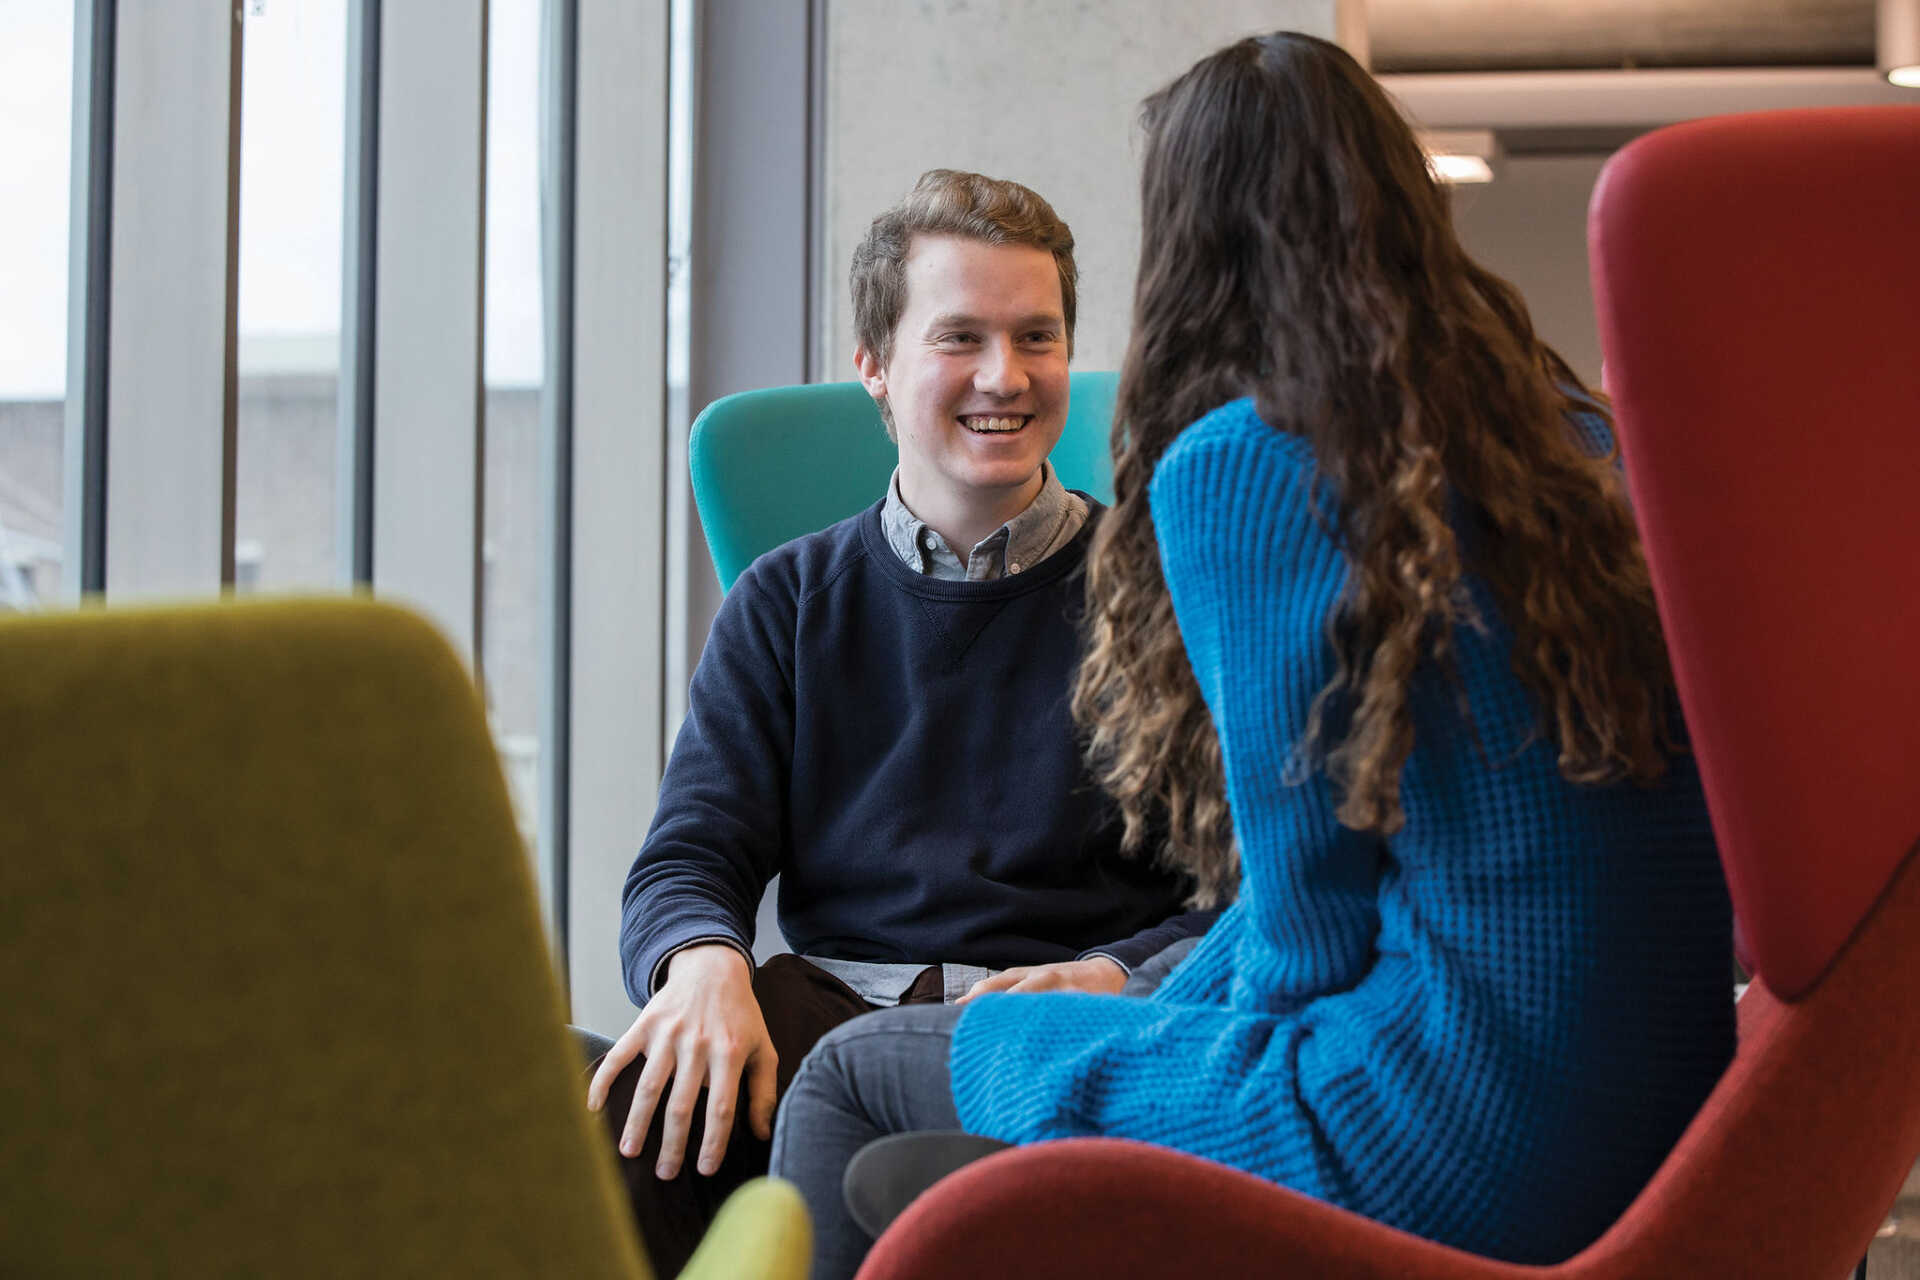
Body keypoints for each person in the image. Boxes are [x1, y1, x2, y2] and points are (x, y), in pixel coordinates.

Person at [768, 32, 1736, 1278]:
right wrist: (1120, 1003)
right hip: (1656, 1124)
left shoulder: (1253, 462)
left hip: (1444, 1129)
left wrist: (1115, 1043)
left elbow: (1308, 949)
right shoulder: (1568, 447)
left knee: (850, 1073)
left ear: (1195, 244)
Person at [584, 168, 1215, 1277]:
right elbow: (689, 854)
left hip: (1057, 1037)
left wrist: (1119, 973)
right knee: (619, 1109)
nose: (1004, 377)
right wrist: (702, 963)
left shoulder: (1163, 588)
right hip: (823, 1015)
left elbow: (1256, 889)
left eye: (1037, 336)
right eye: (960, 337)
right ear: (873, 366)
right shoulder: (785, 601)